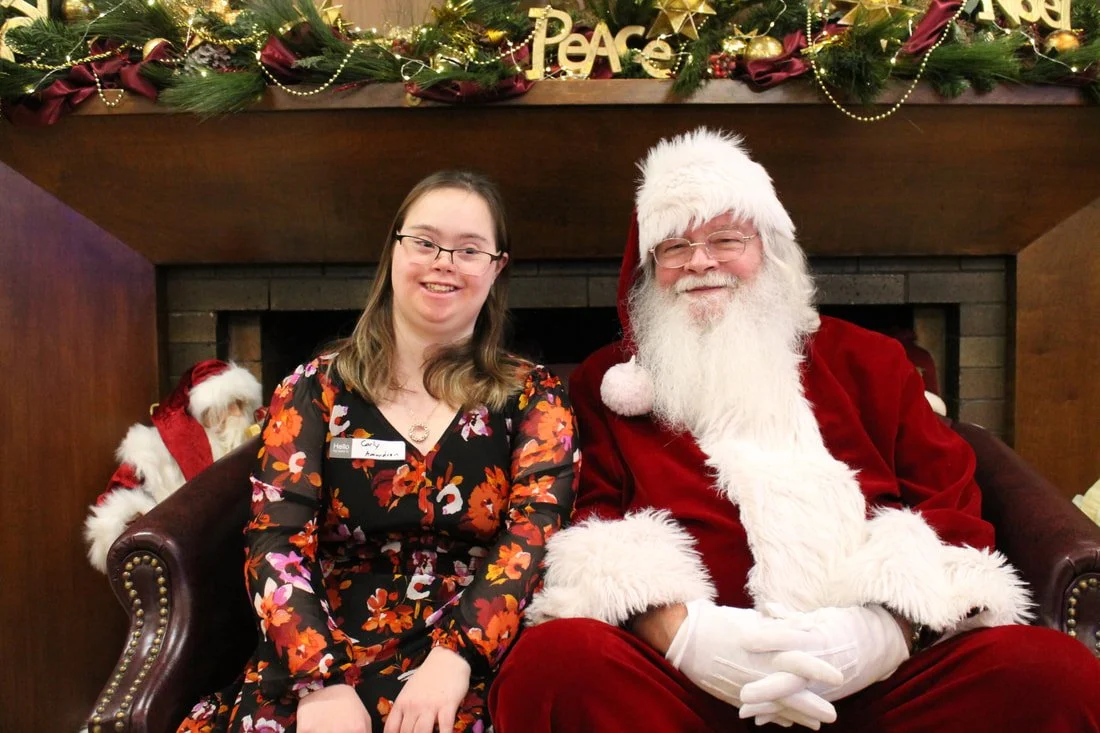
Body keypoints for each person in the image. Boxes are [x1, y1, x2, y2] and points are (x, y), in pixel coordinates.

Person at [489, 128, 1100, 732]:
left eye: (725, 238)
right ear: (652, 270)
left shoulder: (873, 362)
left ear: (770, 251)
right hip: (687, 693)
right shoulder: (609, 386)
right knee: (553, 666)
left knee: (1052, 673)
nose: (700, 262)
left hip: (882, 687)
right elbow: (590, 525)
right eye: (674, 248)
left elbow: (951, 506)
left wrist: (880, 635)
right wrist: (694, 641)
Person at [178, 171, 578, 733]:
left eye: (469, 250)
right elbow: (275, 538)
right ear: (394, 249)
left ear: (496, 267)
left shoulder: (534, 395)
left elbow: (536, 534)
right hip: (322, 647)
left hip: (472, 654)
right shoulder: (315, 388)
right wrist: (319, 681)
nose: (444, 261)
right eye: (425, 241)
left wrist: (456, 656)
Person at [84, 359, 262, 572]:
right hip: (190, 558)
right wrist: (139, 519)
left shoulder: (253, 441)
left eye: (241, 404)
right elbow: (114, 503)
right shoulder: (154, 451)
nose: (237, 414)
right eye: (229, 405)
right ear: (203, 412)